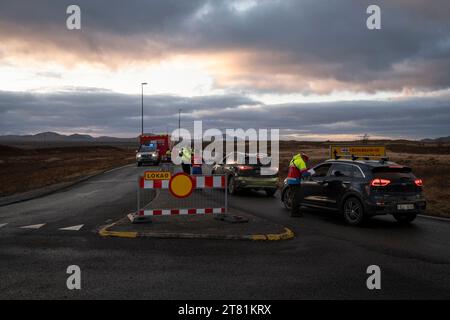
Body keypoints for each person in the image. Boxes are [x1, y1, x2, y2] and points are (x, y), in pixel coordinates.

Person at [287, 152, 310, 217]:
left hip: (290, 181)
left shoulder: (293, 160)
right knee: (296, 198)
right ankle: (294, 213)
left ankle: (296, 211)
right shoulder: (301, 162)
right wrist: (310, 173)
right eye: (306, 160)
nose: (306, 162)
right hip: (295, 182)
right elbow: (304, 174)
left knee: (293, 197)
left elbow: (295, 170)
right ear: (304, 158)